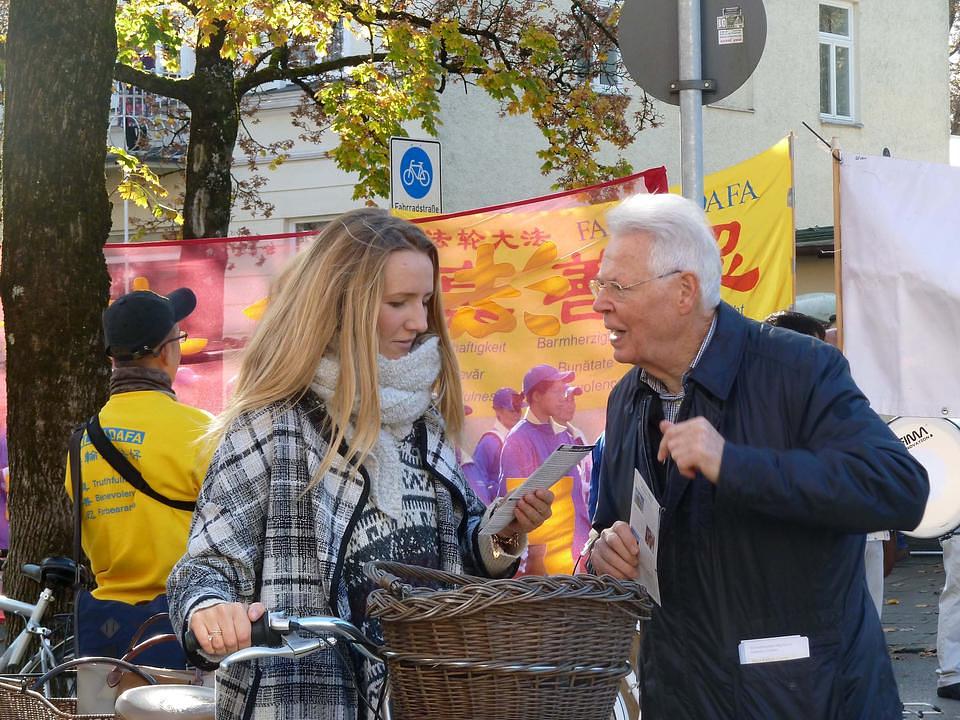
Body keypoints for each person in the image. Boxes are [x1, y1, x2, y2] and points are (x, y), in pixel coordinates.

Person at [167, 208, 554, 719]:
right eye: (398, 302)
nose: (419, 322)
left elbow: (451, 556)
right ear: (343, 304)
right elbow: (205, 567)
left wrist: (500, 534)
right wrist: (210, 612)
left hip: (429, 699)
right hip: (304, 703)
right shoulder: (271, 425)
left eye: (424, 301)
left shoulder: (424, 418)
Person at [586, 193, 929, 720]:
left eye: (617, 287)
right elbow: (614, 521)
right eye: (598, 285)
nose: (599, 304)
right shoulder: (626, 398)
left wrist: (736, 465)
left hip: (807, 698)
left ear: (683, 292)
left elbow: (900, 489)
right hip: (679, 695)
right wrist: (606, 550)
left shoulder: (800, 370)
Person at [65, 288, 213, 664]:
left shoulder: (81, 443)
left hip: (105, 635)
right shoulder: (201, 432)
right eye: (178, 338)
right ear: (166, 351)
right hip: (183, 625)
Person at [765, 308, 887, 618]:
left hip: (860, 527)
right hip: (794, 550)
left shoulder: (842, 393)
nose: (821, 355)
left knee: (866, 615)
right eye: (814, 346)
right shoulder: (754, 407)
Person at [499, 365, 590, 572]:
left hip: (577, 555)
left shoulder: (563, 435)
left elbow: (575, 499)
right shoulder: (518, 439)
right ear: (537, 396)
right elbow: (513, 511)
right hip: (546, 572)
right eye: (557, 392)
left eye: (564, 392)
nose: (563, 397)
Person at [470, 387, 523, 504]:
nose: (517, 415)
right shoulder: (490, 441)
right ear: (498, 411)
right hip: (497, 509)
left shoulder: (521, 439)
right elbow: (478, 480)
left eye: (518, 410)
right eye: (512, 410)